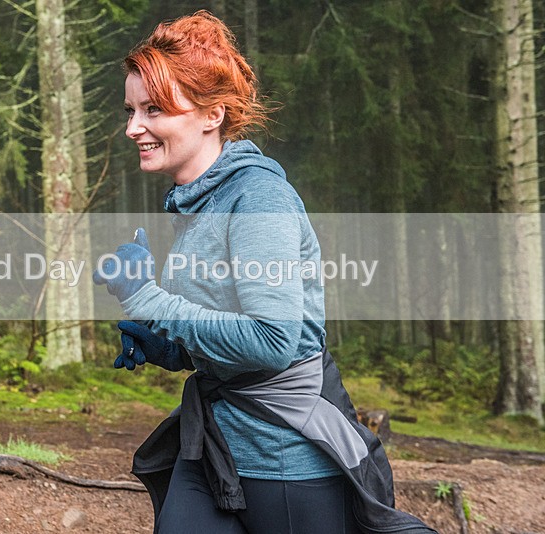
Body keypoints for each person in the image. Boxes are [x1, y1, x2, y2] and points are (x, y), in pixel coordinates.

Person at [94, 11, 436, 534]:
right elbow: (224, 326)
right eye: (132, 109)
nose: (133, 126)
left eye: (153, 109)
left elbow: (273, 341)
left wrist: (149, 300)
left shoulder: (257, 198)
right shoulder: (200, 203)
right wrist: (166, 345)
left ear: (213, 115)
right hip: (215, 447)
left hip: (287, 458)